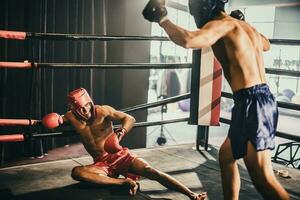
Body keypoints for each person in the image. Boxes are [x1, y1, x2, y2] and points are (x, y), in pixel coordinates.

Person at [142, 0, 290, 200]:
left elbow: (188, 40)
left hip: (252, 103)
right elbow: (266, 45)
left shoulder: (221, 24)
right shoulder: (244, 27)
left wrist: (163, 19)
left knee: (263, 178)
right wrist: (243, 22)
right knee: (226, 157)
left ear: (203, 7)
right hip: (256, 100)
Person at [42, 88, 207, 200]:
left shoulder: (103, 111)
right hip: (101, 163)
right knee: (77, 172)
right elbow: (56, 120)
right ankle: (124, 183)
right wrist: (49, 121)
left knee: (152, 171)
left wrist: (120, 133)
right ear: (73, 109)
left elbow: (129, 118)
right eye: (81, 109)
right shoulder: (71, 117)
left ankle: (192, 195)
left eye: (87, 106)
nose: (86, 111)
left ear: (91, 102)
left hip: (119, 155)